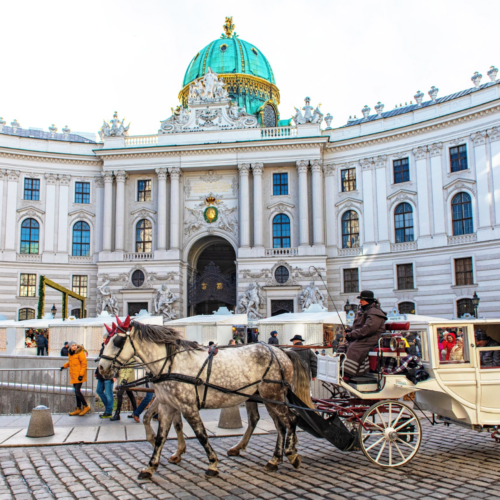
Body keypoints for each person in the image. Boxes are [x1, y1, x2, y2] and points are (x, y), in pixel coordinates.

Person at [342, 290, 387, 380]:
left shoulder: (375, 313)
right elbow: (357, 326)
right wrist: (349, 330)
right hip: (364, 336)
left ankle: (348, 373)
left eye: (362, 300)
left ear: (368, 301)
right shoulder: (363, 311)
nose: (360, 302)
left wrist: (352, 334)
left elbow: (369, 329)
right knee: (343, 347)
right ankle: (340, 368)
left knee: (354, 347)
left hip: (371, 338)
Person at [61, 342, 90, 416]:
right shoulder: (71, 353)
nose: (74, 347)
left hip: (79, 375)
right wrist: (64, 366)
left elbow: (84, 364)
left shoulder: (80, 352)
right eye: (72, 345)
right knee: (76, 392)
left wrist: (81, 375)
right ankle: (78, 408)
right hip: (74, 375)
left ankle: (85, 406)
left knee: (77, 391)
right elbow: (71, 362)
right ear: (70, 347)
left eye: (75, 345)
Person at [95, 333, 114, 419]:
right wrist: (97, 371)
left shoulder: (111, 349)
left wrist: (115, 375)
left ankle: (108, 411)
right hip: (101, 373)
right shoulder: (103, 348)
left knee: (108, 393)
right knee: (99, 390)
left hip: (109, 374)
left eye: (105, 338)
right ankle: (108, 408)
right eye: (103, 338)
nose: (103, 340)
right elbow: (100, 361)